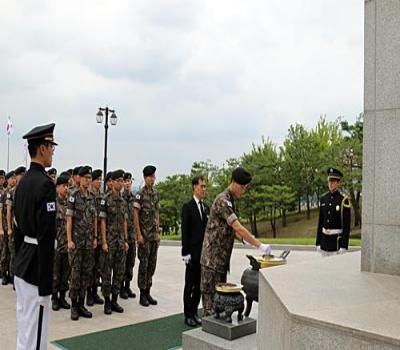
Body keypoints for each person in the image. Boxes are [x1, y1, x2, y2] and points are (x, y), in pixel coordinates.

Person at [200, 167, 272, 317]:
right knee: (210, 305)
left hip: (221, 260)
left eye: (245, 187)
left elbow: (228, 228)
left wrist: (243, 239)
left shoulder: (231, 200)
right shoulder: (223, 200)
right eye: (241, 187)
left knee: (220, 301)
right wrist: (258, 244)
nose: (243, 190)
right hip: (212, 260)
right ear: (232, 182)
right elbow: (237, 226)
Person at [13, 123, 58, 350]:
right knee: (36, 336)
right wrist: (46, 286)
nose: (52, 152)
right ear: (41, 148)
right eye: (51, 147)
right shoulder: (45, 185)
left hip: (22, 265)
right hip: (35, 270)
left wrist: (16, 262)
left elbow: (17, 231)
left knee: (25, 329)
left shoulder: (21, 185)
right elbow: (47, 238)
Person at [66, 166, 97, 321]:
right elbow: (69, 219)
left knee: (86, 274)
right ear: (79, 178)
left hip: (88, 242)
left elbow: (95, 218)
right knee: (75, 275)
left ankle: (81, 304)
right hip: (77, 243)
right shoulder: (73, 195)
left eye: (89, 178)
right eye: (85, 178)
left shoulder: (92, 196)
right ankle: (73, 305)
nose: (87, 180)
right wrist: (69, 239)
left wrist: (95, 237)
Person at [100, 169, 129, 314]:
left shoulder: (123, 201)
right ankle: (106, 301)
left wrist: (125, 240)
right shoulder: (106, 199)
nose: (120, 183)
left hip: (120, 242)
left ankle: (115, 300)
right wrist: (104, 241)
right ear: (112, 182)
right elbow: (103, 221)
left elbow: (124, 221)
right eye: (118, 181)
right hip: (110, 242)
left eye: (122, 181)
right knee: (107, 273)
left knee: (119, 272)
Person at [181, 175, 209, 327]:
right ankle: (187, 314)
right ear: (194, 187)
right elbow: (185, 232)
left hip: (203, 254)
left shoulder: (205, 207)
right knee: (189, 285)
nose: (204, 189)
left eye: (205, 186)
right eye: (201, 186)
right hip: (191, 254)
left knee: (199, 286)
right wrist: (185, 253)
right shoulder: (188, 207)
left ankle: (194, 312)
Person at [134, 165, 160, 307]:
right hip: (144, 236)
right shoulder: (140, 194)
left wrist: (158, 231)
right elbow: (135, 214)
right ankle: (142, 293)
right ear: (145, 178)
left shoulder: (155, 194)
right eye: (150, 177)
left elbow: (156, 212)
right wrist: (138, 234)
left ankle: (148, 290)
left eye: (154, 176)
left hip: (153, 236)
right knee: (143, 265)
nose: (152, 179)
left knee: (151, 265)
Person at [316, 168, 351, 257]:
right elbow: (320, 222)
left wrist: (344, 246)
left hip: (336, 244)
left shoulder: (343, 200)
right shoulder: (324, 198)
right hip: (324, 243)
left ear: (338, 183)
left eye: (333, 181)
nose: (330, 183)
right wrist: (318, 242)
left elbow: (346, 226)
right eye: (329, 181)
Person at [52, 173, 71, 311]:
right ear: (57, 187)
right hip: (56, 244)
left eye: (68, 186)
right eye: (64, 186)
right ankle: (54, 298)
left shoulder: (70, 204)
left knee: (66, 273)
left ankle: (63, 297)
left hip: (68, 244)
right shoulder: (53, 204)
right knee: (55, 273)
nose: (66, 189)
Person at [6, 166, 26, 287]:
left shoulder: (27, 189)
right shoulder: (12, 192)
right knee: (15, 254)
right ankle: (14, 278)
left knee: (24, 255)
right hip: (15, 227)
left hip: (25, 228)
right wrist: (9, 228)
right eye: (21, 175)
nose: (23, 177)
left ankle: (22, 278)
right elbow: (8, 211)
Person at [87, 169, 104, 305]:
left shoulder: (101, 196)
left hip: (99, 237)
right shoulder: (89, 195)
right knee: (90, 267)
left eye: (100, 179)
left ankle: (94, 292)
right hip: (90, 236)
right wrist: (94, 235)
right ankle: (88, 294)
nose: (99, 181)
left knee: (98, 266)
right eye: (97, 179)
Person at [121, 172, 137, 299]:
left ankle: (127, 285)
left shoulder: (134, 198)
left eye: (129, 181)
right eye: (125, 181)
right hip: (121, 237)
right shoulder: (119, 198)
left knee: (131, 262)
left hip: (132, 237)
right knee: (122, 263)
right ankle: (120, 287)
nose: (127, 183)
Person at [0, 171, 17, 286]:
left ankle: (11, 274)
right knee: (4, 252)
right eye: (11, 178)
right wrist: (1, 228)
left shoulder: (15, 192)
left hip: (12, 227)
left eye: (15, 178)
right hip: (5, 227)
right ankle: (3, 273)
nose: (13, 180)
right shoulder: (4, 194)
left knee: (11, 252)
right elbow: (1, 212)